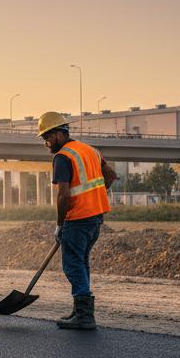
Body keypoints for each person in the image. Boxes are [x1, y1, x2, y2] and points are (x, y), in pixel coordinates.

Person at [38, 111, 118, 330]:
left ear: (58, 134)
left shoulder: (63, 157)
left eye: (47, 137)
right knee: (81, 262)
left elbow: (63, 194)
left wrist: (60, 225)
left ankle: (84, 316)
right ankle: (80, 309)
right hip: (96, 217)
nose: (46, 143)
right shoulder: (89, 150)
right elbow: (110, 176)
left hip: (78, 217)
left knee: (73, 264)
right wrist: (96, 196)